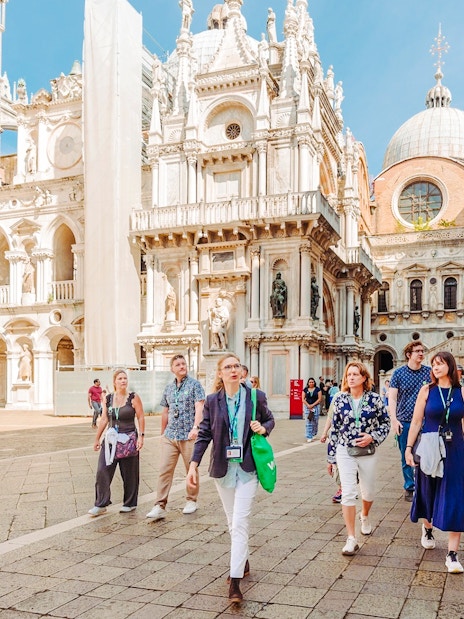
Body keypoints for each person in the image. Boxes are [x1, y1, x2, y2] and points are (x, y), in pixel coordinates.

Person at [186, 353, 275, 603]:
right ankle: (243, 560)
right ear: (220, 373)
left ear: (242, 371)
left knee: (240, 521)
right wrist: (193, 466)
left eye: (236, 366)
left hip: (248, 468)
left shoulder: (256, 396)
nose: (233, 370)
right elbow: (204, 434)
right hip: (223, 469)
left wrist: (264, 427)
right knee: (231, 521)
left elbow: (269, 419)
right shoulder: (213, 401)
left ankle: (234, 582)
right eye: (228, 367)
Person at [405, 351, 464, 574]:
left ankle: (452, 554)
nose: (436, 367)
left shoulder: (461, 392)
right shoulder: (427, 390)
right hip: (429, 446)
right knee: (428, 491)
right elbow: (417, 420)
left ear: (450, 365)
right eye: (433, 364)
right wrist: (409, 449)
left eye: (440, 364)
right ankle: (427, 528)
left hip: (455, 448)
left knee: (455, 496)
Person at [327, 362, 390, 555]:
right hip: (344, 450)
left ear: (364, 378)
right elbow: (334, 429)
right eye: (349, 374)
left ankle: (365, 514)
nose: (351, 377)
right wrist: (331, 457)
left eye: (355, 374)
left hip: (367, 451)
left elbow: (385, 424)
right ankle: (351, 538)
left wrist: (373, 437)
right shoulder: (339, 399)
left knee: (368, 492)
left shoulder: (375, 399)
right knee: (348, 492)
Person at [146, 354, 205, 520]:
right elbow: (165, 411)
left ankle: (191, 500)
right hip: (170, 435)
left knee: (191, 469)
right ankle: (159, 505)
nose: (182, 366)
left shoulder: (195, 385)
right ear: (172, 369)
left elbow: (199, 407)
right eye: (178, 364)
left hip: (189, 435)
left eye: (183, 363)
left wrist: (196, 427)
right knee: (165, 470)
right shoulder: (169, 388)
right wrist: (162, 433)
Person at [88, 369, 145, 516]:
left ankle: (130, 503)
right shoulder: (108, 398)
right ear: (115, 381)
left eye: (125, 378)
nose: (123, 381)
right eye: (120, 378)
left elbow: (140, 417)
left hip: (128, 438)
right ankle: (101, 503)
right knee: (103, 470)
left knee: (129, 472)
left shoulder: (133, 397)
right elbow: (105, 419)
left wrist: (141, 436)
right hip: (111, 439)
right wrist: (97, 438)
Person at [389, 341, 430, 502]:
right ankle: (410, 486)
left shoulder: (429, 372)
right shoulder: (398, 374)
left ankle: (425, 485)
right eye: (417, 351)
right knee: (406, 454)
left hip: (426, 421)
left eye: (422, 351)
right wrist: (394, 419)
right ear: (408, 354)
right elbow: (392, 398)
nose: (421, 353)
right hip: (404, 420)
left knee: (426, 454)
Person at [302, 377, 322, 442]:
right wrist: (308, 405)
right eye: (310, 382)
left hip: (316, 407)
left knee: (315, 421)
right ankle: (309, 436)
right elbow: (303, 399)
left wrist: (312, 405)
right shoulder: (305, 390)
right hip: (307, 407)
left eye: (312, 382)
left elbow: (319, 399)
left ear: (314, 383)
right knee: (308, 421)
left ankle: (314, 433)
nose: (311, 383)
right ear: (308, 383)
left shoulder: (317, 389)